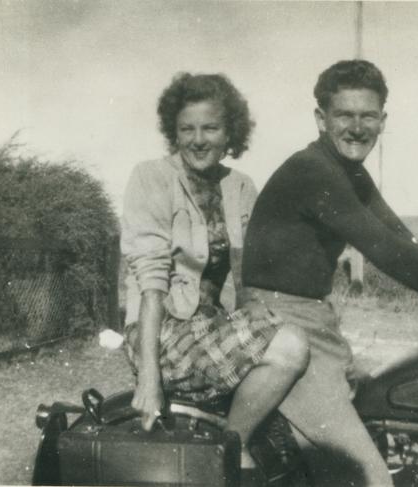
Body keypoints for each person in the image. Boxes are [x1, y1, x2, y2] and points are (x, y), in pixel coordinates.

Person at [241, 59, 418, 486]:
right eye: (344, 115)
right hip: (282, 323)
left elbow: (396, 235)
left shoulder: (348, 172)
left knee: (382, 412)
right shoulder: (313, 170)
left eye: (367, 115)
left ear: (383, 121)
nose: (356, 127)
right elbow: (387, 251)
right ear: (321, 119)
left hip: (314, 321)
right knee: (369, 478)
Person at [121, 72, 309, 470]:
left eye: (211, 128)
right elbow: (151, 285)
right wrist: (148, 378)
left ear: (230, 134)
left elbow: (250, 274)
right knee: (290, 348)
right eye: (186, 129)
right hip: (162, 331)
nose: (198, 139)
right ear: (174, 132)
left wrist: (259, 307)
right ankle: (230, 447)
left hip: (214, 326)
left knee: (301, 343)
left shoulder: (241, 186)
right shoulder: (151, 177)